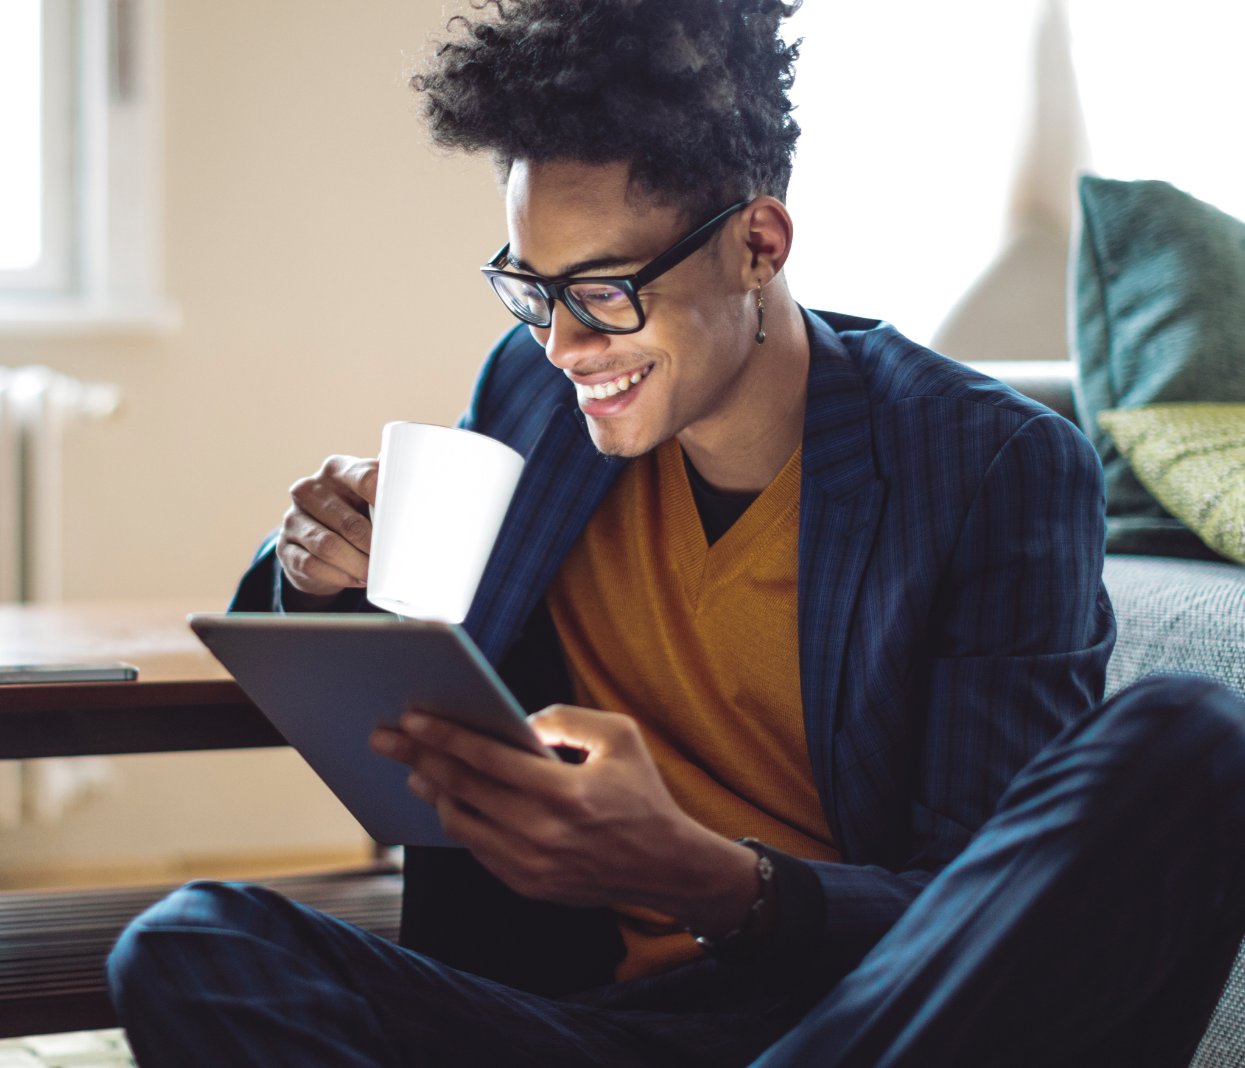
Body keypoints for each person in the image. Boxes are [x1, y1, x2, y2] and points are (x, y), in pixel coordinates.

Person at [109, 1, 1245, 1064]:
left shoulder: (989, 464)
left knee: (1196, 736)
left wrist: (704, 877)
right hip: (574, 1019)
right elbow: (393, 660)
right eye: (532, 288)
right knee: (193, 944)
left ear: (759, 243)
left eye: (605, 289)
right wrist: (315, 572)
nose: (564, 343)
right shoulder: (531, 397)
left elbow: (981, 902)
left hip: (854, 1022)